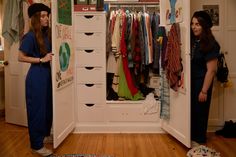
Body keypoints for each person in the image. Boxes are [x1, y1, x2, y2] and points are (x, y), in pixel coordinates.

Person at [18, 3, 54, 156]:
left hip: (46, 75)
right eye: (43, 16)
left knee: (47, 108)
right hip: (36, 76)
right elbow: (20, 57)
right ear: (36, 18)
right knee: (37, 111)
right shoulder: (30, 36)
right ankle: (36, 145)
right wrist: (41, 60)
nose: (47, 19)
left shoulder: (46, 34)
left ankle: (43, 136)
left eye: (47, 16)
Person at [190, 11, 220, 147]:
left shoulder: (211, 44)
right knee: (191, 111)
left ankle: (199, 141)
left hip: (201, 83)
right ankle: (190, 139)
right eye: (192, 24)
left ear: (204, 26)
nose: (194, 27)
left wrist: (204, 91)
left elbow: (211, 70)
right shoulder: (194, 41)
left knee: (200, 112)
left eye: (197, 24)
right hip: (191, 82)